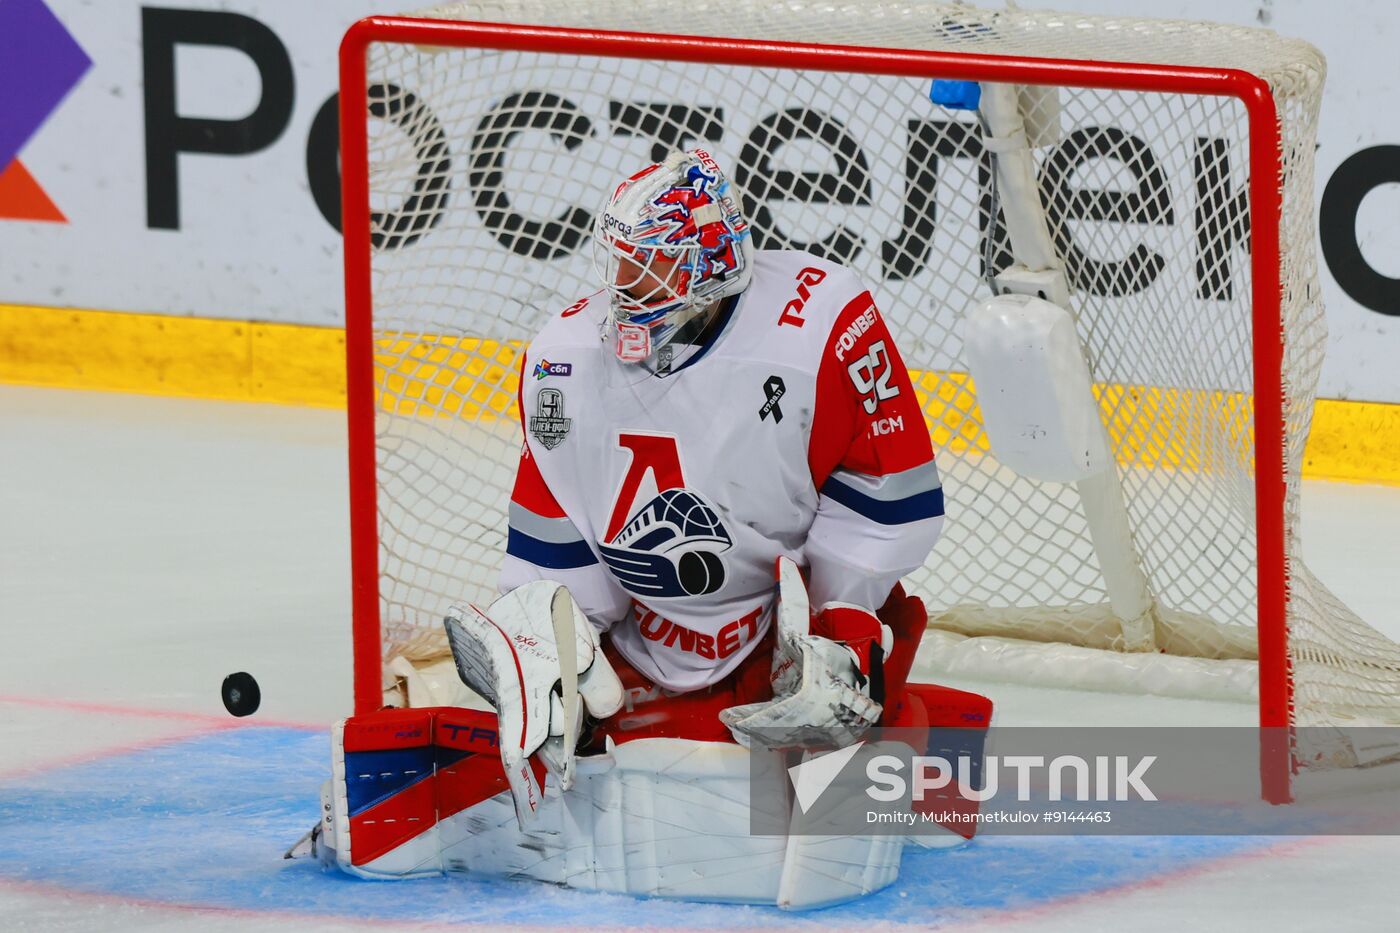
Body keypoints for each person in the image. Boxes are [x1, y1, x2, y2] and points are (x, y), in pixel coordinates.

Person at [498, 147, 945, 751]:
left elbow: (884, 488)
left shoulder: (820, 322)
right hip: (640, 629)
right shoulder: (562, 356)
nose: (624, 283)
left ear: (708, 269)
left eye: (649, 264)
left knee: (854, 731)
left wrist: (838, 621)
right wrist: (557, 641)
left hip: (786, 622)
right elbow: (555, 512)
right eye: (621, 260)